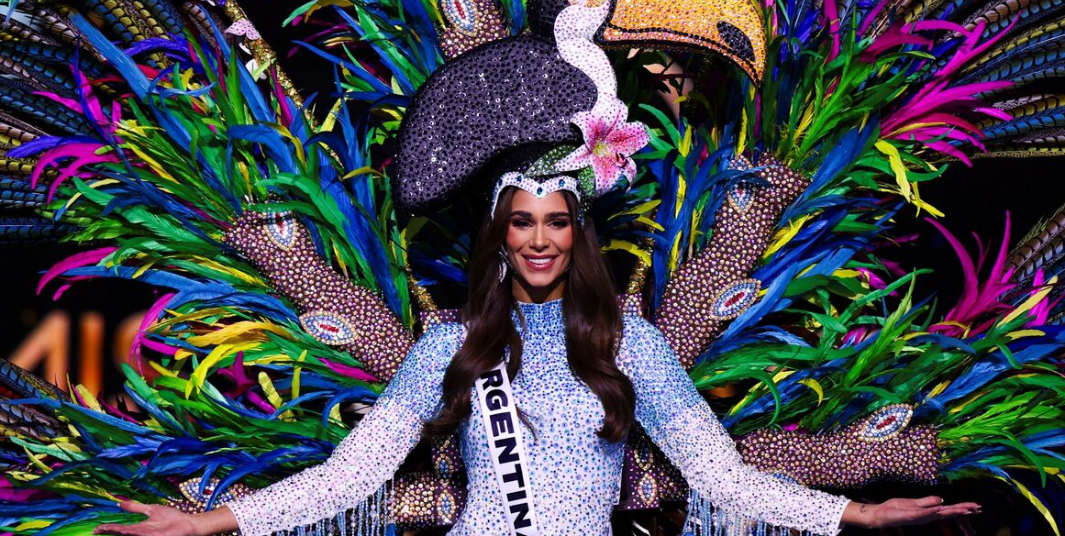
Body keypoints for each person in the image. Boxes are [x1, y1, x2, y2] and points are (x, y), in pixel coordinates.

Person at [94, 183, 981, 536]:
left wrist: (855, 516)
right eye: (522, 221)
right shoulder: (450, 345)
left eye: (557, 221)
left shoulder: (630, 343)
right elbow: (349, 477)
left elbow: (723, 477)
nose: (540, 239)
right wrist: (211, 524)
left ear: (577, 234)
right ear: (502, 234)